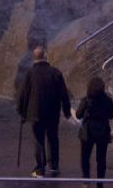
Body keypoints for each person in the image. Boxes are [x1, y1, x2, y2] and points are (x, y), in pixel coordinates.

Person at [16, 45, 72, 177]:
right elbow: (64, 94)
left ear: (34, 59)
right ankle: (54, 166)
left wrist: (22, 112)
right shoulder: (55, 72)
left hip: (35, 114)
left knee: (38, 140)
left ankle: (40, 169)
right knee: (53, 138)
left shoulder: (29, 73)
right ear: (45, 57)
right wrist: (67, 111)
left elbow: (23, 94)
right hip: (52, 113)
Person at [75, 76, 113, 188]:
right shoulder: (107, 100)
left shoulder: (86, 100)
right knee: (101, 159)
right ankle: (100, 184)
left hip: (87, 132)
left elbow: (78, 115)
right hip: (102, 131)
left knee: (85, 157)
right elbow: (112, 115)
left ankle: (86, 181)